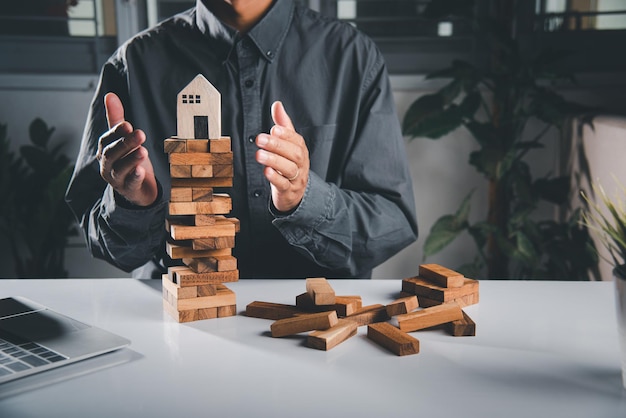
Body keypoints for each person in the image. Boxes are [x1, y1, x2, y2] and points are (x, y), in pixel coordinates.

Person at [65, 0, 418, 279]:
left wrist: (304, 199)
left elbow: (393, 223)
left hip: (315, 327)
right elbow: (109, 246)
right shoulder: (132, 65)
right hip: (181, 324)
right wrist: (134, 203)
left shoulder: (353, 56)